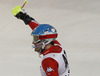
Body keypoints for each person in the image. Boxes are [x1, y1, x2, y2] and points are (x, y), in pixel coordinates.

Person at [12, 6, 70, 76]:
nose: (33, 42)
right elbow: (39, 29)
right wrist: (25, 17)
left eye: (36, 39)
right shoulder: (56, 45)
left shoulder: (48, 61)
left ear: (45, 41)